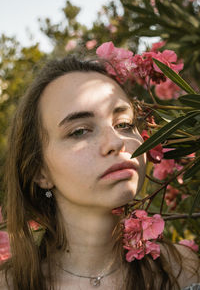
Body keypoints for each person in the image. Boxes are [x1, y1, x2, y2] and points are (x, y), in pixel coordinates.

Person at [0, 56, 199, 290]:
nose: (116, 141)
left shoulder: (183, 270)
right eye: (80, 131)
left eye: (124, 124)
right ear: (39, 172)